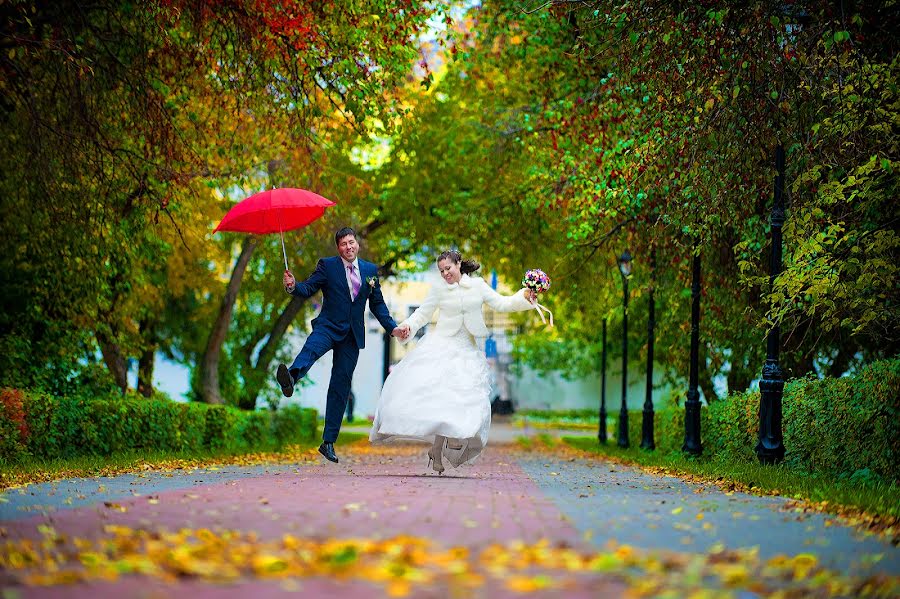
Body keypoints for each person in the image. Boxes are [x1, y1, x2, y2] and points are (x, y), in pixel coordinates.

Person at [369, 250, 538, 474]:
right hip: (442, 344)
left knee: (459, 399)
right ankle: (437, 450)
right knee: (442, 397)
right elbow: (423, 313)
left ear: (458, 264)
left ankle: (440, 447)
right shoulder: (439, 289)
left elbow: (502, 304)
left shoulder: (477, 286)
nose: (445, 273)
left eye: (448, 268)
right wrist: (407, 326)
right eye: (441, 271)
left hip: (467, 349)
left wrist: (525, 297)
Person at [277, 227, 407, 464]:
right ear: (338, 248)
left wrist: (393, 328)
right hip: (328, 326)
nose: (348, 247)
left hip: (352, 336)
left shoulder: (369, 270)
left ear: (357, 244)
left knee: (340, 385)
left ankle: (328, 442)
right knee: (311, 349)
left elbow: (378, 305)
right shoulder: (327, 266)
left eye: (351, 242)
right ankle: (291, 378)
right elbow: (307, 289)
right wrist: (292, 285)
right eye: (343, 244)